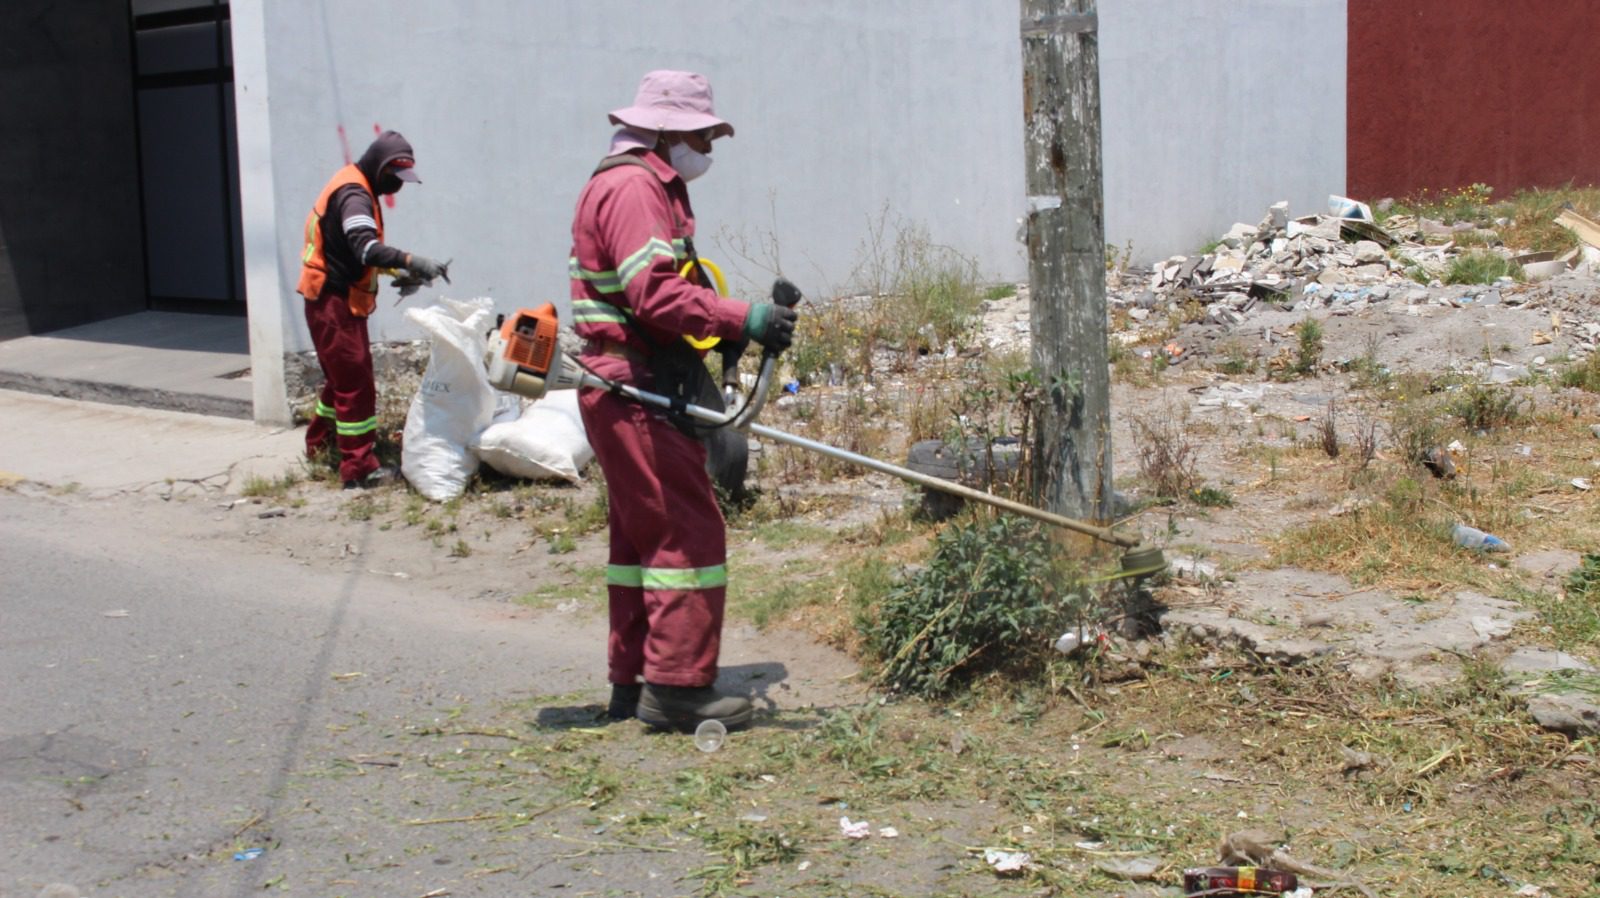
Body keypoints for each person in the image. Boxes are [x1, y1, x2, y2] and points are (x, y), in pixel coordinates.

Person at [568, 71, 798, 732]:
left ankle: (631, 680)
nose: (709, 148)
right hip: (632, 384)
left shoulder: (621, 181)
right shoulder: (637, 188)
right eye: (702, 134)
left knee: (637, 540)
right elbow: (654, 296)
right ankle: (675, 690)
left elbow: (659, 297)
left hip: (628, 379)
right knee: (685, 533)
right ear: (664, 130)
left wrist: (726, 332)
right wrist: (744, 319)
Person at [296, 130, 449, 489]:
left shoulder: (357, 184)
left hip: (333, 300)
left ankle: (320, 446)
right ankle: (359, 469)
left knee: (341, 380)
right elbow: (364, 248)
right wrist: (411, 260)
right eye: (396, 178)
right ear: (382, 168)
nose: (399, 186)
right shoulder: (354, 196)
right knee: (355, 385)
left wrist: (399, 271)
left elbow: (349, 251)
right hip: (333, 302)